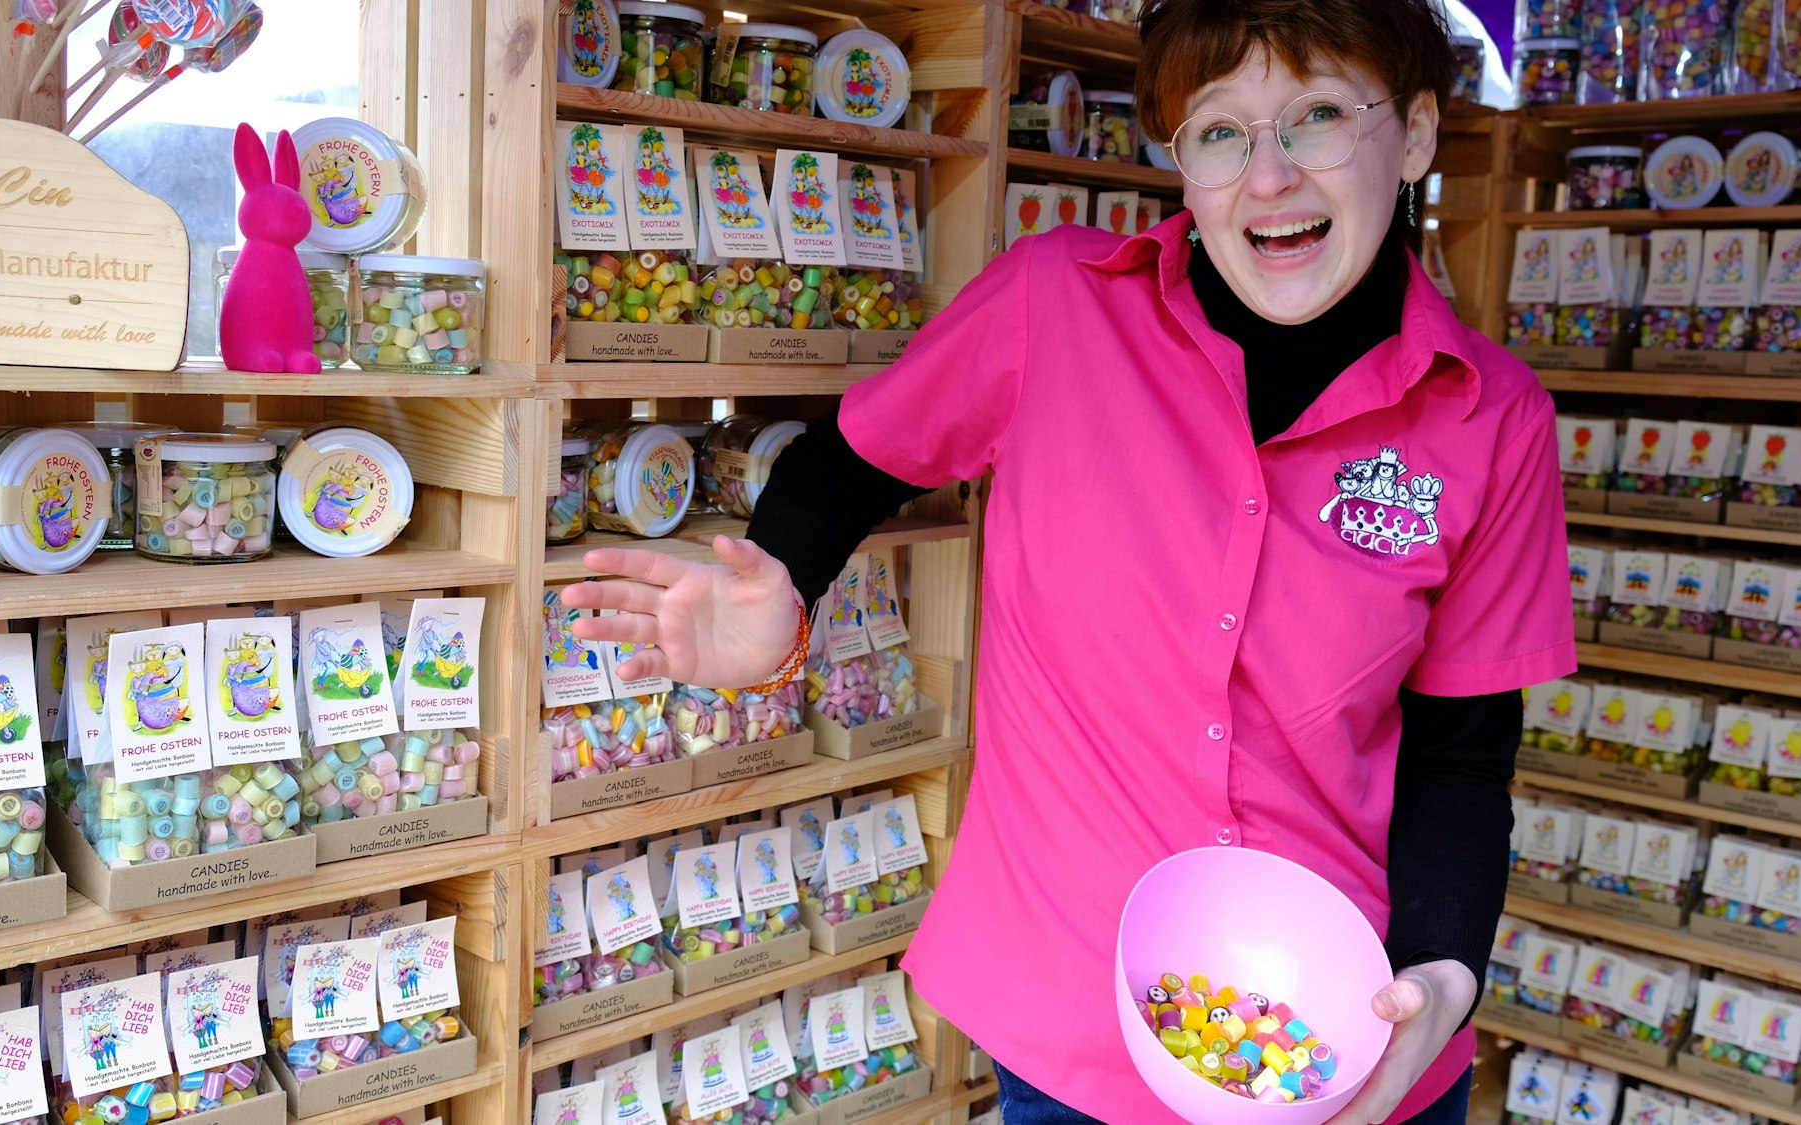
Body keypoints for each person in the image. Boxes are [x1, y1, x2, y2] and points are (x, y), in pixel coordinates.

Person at [564, 0, 1576, 1121]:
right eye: (1219, 132)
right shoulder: (1055, 304)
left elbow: (1460, 753)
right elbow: (856, 458)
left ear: (1419, 133)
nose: (1269, 176)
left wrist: (1442, 968)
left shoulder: (1491, 418)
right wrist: (781, 580)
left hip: (1349, 1032)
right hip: (1076, 1018)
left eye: (1318, 117)